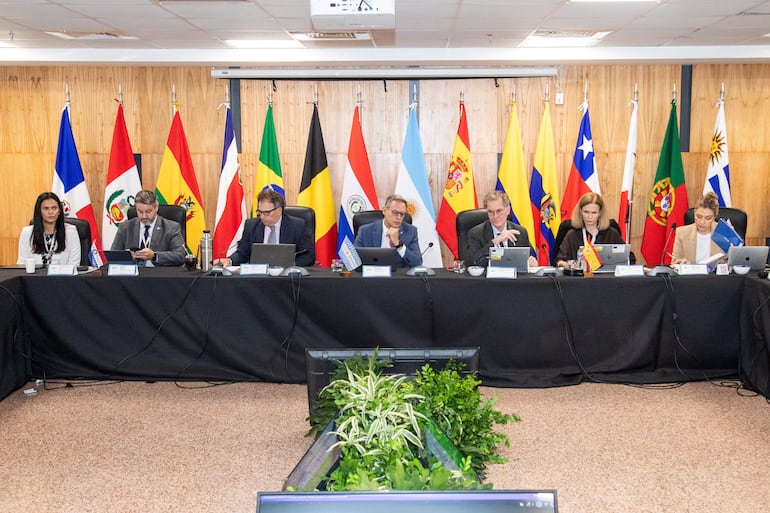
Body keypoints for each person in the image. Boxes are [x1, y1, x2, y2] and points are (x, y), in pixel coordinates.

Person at [216, 188, 315, 267]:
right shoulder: (251, 226)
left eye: (266, 213)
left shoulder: (297, 226)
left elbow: (308, 255)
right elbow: (242, 253)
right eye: (259, 212)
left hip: (286, 279)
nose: (262, 217)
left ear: (279, 211)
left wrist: (288, 266)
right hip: (258, 278)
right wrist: (229, 260)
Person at [111, 189, 186, 266]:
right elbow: (113, 256)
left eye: (148, 211)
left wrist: (154, 256)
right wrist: (126, 256)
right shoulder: (125, 227)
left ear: (156, 208)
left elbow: (180, 255)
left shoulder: (171, 227)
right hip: (132, 272)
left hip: (159, 272)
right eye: (140, 211)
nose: (144, 216)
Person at [466, 190, 538, 267]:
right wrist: (494, 242)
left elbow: (527, 258)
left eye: (499, 211)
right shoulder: (476, 233)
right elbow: (473, 261)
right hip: (489, 274)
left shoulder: (520, 232)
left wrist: (532, 262)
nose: (495, 216)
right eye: (490, 212)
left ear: (508, 210)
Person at [555, 192, 623, 268]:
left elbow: (626, 257)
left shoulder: (612, 234)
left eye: (594, 213)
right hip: (578, 275)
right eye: (586, 212)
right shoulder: (572, 234)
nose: (589, 216)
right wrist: (565, 264)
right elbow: (558, 260)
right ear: (580, 212)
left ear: (600, 213)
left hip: (606, 275)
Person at [354, 194, 421, 268]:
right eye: (395, 212)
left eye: (402, 214)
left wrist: (398, 244)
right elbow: (354, 260)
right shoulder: (365, 231)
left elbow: (417, 263)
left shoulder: (410, 231)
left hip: (398, 274)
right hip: (372, 273)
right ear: (385, 211)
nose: (399, 217)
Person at [18, 192, 81, 266]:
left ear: (59, 211)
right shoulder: (27, 233)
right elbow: (22, 263)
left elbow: (74, 264)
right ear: (39, 211)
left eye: (54, 208)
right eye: (46, 208)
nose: (50, 212)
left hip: (63, 273)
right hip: (34, 273)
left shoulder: (71, 232)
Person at [671, 192, 726, 265]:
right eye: (699, 217)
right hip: (690, 272)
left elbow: (729, 262)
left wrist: (732, 238)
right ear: (694, 214)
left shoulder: (723, 232)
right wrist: (682, 263)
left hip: (714, 272)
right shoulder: (682, 233)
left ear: (714, 217)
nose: (702, 222)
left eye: (708, 218)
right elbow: (675, 262)